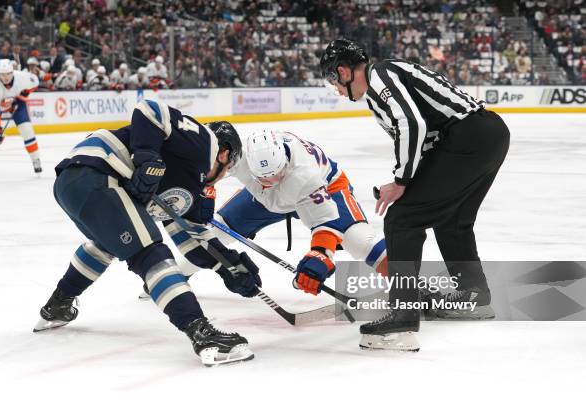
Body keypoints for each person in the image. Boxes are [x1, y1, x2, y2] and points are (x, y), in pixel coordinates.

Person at [34, 100, 260, 366]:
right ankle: (203, 336)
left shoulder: (189, 187)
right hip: (95, 171)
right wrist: (147, 157)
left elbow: (190, 235)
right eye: (229, 167)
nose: (223, 176)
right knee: (150, 252)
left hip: (74, 183)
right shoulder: (204, 144)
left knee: (106, 244)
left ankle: (58, 305)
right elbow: (150, 109)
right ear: (224, 155)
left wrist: (227, 265)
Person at [320, 38, 510, 351]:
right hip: (487, 136)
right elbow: (423, 139)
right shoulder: (379, 88)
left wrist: (402, 180)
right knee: (453, 221)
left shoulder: (379, 73)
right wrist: (403, 181)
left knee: (401, 220)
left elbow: (412, 124)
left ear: (343, 71)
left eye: (333, 82)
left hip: (468, 138)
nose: (337, 91)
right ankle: (474, 296)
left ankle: (403, 316)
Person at [204, 130, 388, 297]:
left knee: (360, 240)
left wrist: (320, 255)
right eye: (264, 177)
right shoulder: (238, 153)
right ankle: (178, 287)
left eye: (276, 175)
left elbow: (325, 221)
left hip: (326, 188)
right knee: (209, 235)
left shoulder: (305, 173)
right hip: (265, 197)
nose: (272, 181)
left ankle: (410, 289)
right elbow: (200, 166)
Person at [0, 59, 41, 174]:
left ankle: (36, 159)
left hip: (17, 104)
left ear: (13, 72)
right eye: (2, 74)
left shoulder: (22, 77)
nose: (5, 77)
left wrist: (24, 94)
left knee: (27, 130)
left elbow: (35, 82)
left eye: (8, 74)